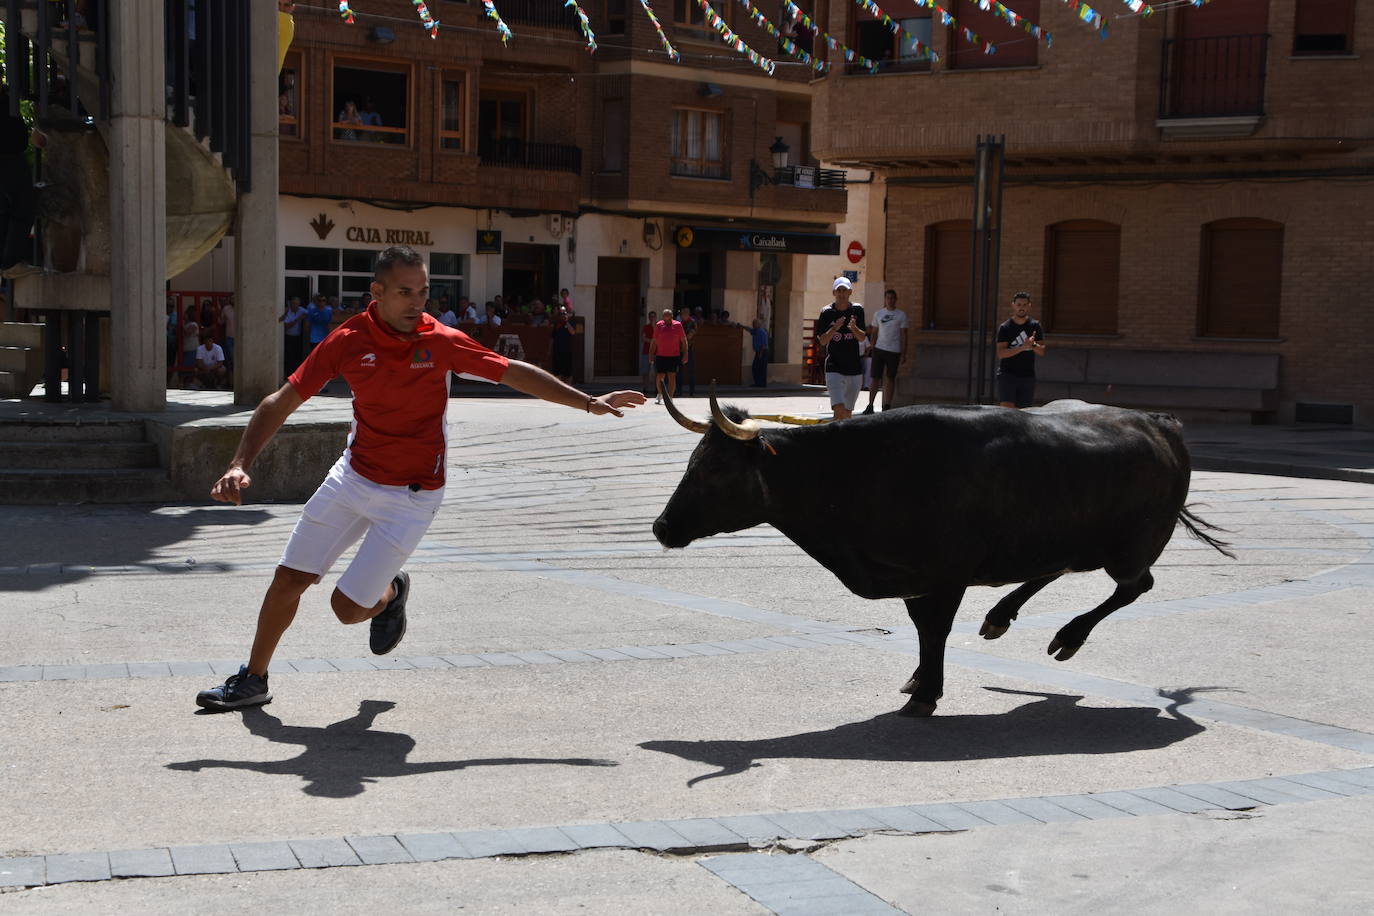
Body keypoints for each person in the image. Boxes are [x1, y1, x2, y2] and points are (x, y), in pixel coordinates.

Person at [194, 245, 645, 711]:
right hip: (352, 477)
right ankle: (253, 679)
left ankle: (390, 594)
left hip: (411, 497)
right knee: (289, 578)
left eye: (423, 292)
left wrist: (588, 402)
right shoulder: (348, 339)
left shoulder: (441, 341)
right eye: (405, 292)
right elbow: (280, 401)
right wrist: (239, 463)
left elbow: (512, 373)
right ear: (378, 292)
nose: (416, 302)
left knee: (346, 610)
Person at [816, 277, 867, 420]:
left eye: (845, 290)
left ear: (850, 292)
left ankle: (840, 439)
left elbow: (862, 337)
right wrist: (834, 328)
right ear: (834, 292)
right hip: (834, 367)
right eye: (839, 290)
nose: (842, 294)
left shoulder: (857, 310)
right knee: (839, 408)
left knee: (847, 413)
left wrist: (853, 328)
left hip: (854, 368)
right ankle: (836, 440)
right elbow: (823, 341)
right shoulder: (827, 312)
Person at [995, 291, 1046, 409]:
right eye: (1018, 305)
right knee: (1007, 411)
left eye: (1024, 305)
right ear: (1013, 305)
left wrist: (1032, 344)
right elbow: (1001, 353)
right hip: (1007, 375)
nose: (1021, 308)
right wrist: (1022, 347)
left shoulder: (1035, 326)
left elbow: (1042, 351)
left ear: (1029, 306)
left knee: (1023, 413)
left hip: (1027, 376)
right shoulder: (1005, 327)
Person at [862, 289, 909, 414]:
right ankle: (870, 405)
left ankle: (887, 406)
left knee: (890, 378)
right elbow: (874, 331)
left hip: (894, 351)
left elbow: (904, 335)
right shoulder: (878, 314)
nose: (890, 300)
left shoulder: (901, 315)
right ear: (885, 299)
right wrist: (872, 345)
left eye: (892, 298)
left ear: (896, 299)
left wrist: (904, 353)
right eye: (888, 298)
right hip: (879, 349)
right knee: (875, 378)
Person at [649, 307, 687, 405]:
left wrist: (685, 354)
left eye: (668, 317)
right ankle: (659, 394)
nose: (666, 319)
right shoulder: (659, 325)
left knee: (672, 376)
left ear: (672, 316)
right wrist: (651, 354)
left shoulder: (678, 325)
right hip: (661, 355)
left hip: (674, 355)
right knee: (660, 376)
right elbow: (654, 341)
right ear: (662, 317)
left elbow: (684, 341)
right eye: (664, 317)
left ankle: (670, 397)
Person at [279, 296, 306, 375]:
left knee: (297, 356)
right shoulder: (287, 312)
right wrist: (298, 319)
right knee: (289, 356)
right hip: (288, 337)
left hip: (298, 337)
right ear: (290, 304)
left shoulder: (301, 310)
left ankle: (296, 373)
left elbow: (310, 314)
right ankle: (288, 374)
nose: (295, 305)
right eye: (294, 303)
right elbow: (287, 326)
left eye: (297, 304)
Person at [550, 305, 575, 383]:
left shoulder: (570, 323)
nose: (563, 315)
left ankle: (569, 389)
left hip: (567, 351)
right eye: (561, 314)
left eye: (564, 313)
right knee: (557, 372)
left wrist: (567, 322)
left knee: (568, 372)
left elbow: (573, 332)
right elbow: (552, 337)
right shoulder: (556, 324)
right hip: (557, 351)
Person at [680, 306, 701, 397]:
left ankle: (692, 391)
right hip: (679, 350)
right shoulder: (680, 323)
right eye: (681, 314)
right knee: (679, 371)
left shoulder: (692, 322)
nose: (682, 315)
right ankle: (679, 390)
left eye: (684, 314)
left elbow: (690, 335)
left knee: (691, 371)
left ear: (687, 314)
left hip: (689, 349)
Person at [640, 307, 655, 396]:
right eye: (651, 317)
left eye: (653, 316)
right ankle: (645, 388)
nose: (652, 318)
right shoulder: (646, 327)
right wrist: (653, 341)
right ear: (649, 318)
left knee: (658, 372)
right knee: (645, 371)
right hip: (646, 351)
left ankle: (658, 389)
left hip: (657, 352)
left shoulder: (659, 327)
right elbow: (643, 338)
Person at [750, 318, 769, 388]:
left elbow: (763, 345)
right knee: (756, 367)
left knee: (761, 367)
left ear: (758, 324)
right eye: (753, 323)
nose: (753, 325)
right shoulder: (755, 331)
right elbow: (749, 329)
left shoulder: (762, 332)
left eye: (754, 324)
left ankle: (762, 383)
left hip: (762, 352)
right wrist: (741, 326)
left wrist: (760, 354)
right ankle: (758, 383)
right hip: (758, 352)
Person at [220, 294, 236, 372]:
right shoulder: (226, 309)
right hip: (229, 337)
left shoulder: (242, 308)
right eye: (232, 298)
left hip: (239, 338)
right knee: (231, 357)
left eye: (234, 298)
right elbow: (221, 321)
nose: (233, 300)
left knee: (236, 358)